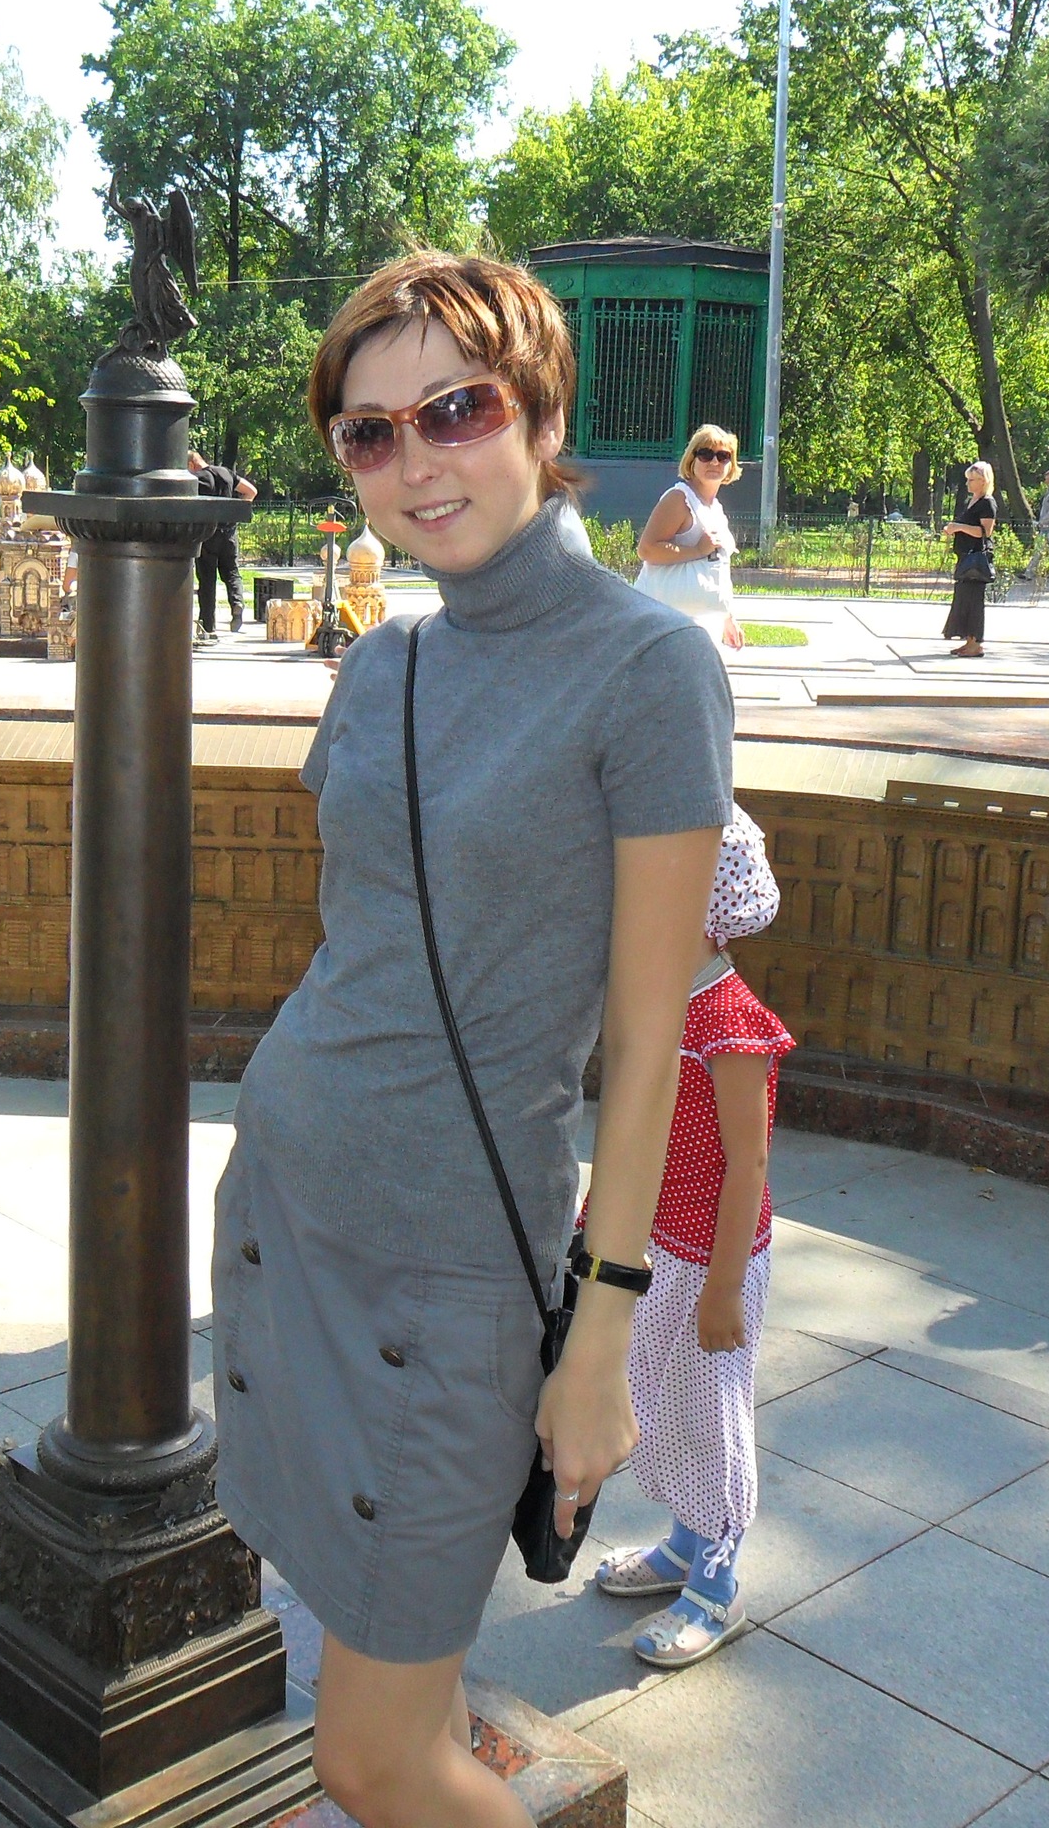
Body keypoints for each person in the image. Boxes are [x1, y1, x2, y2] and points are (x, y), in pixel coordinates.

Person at [213, 250, 730, 1828]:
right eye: (370, 433)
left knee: (372, 1757)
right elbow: (361, 939)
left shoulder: (651, 669)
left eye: (456, 409)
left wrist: (601, 1337)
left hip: (449, 1275)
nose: (415, 460)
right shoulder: (385, 661)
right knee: (391, 1695)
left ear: (541, 414)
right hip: (288, 1211)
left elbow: (649, 1039)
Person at [590, 806, 790, 1670]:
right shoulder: (660, 1005)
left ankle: (717, 1581)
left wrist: (722, 1288)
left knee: (710, 1413)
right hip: (661, 1248)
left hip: (714, 1259)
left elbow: (748, 1162)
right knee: (664, 1401)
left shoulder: (731, 1020)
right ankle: (683, 1543)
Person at [633, 425, 746, 653]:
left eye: (723, 456)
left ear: (731, 464)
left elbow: (718, 565)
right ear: (691, 460)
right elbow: (647, 549)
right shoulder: (679, 499)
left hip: (703, 622)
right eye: (705, 454)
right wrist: (697, 551)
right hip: (665, 622)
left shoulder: (715, 508)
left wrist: (727, 617)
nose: (714, 462)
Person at [187, 448, 257, 643]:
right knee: (232, 572)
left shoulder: (196, 479)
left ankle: (208, 626)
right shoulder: (226, 473)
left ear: (192, 464)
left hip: (207, 534)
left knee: (207, 581)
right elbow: (251, 492)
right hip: (229, 533)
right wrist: (234, 514)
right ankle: (237, 602)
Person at [940, 460, 997, 658]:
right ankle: (969, 641)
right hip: (965, 557)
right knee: (964, 599)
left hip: (976, 560)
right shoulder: (972, 501)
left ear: (983, 481)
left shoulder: (987, 502)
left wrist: (959, 527)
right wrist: (953, 528)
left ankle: (976, 644)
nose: (968, 483)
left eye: (971, 480)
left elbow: (985, 531)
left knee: (974, 601)